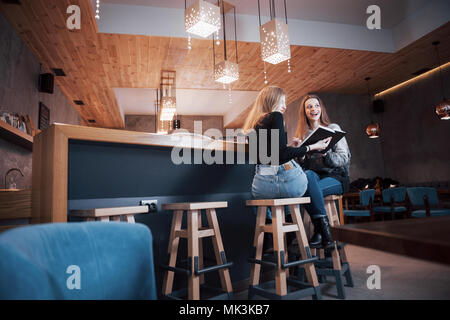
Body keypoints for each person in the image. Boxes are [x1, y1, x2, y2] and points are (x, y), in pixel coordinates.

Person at [243, 87, 331, 251]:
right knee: (309, 176)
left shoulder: (254, 124)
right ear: (272, 101)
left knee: (275, 173)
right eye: (282, 101)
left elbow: (270, 157)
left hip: (261, 189)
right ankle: (318, 230)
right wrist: (312, 147)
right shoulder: (276, 116)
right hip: (289, 186)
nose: (284, 105)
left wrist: (291, 148)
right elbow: (281, 154)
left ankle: (269, 236)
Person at [293, 94, 351, 249]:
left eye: (316, 105)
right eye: (309, 106)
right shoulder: (303, 135)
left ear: (321, 108)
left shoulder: (333, 129)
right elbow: (304, 167)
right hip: (315, 177)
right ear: (304, 112)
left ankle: (320, 231)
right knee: (307, 176)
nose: (314, 109)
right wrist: (299, 151)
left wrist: (326, 155)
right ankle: (324, 232)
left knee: (307, 191)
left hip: (336, 177)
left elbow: (344, 158)